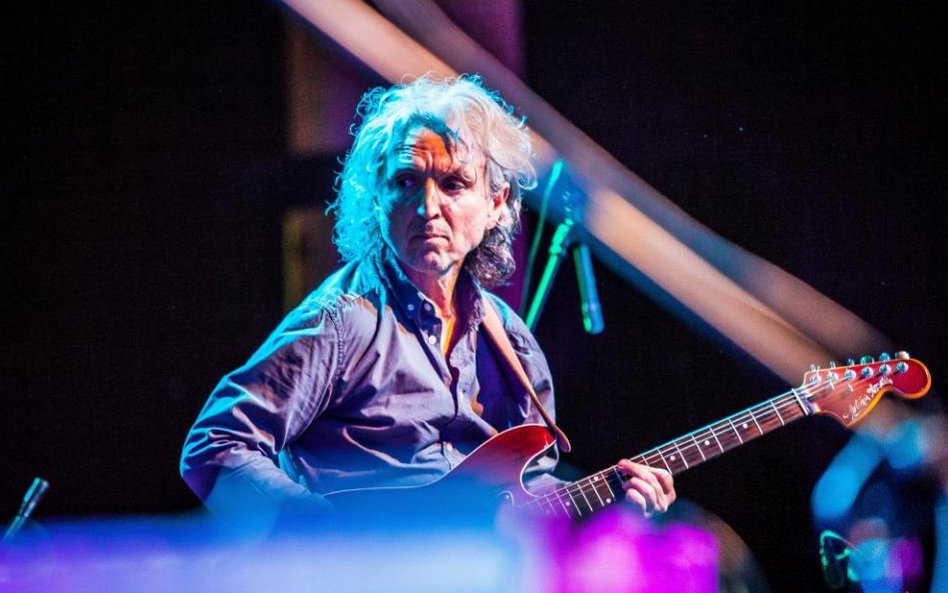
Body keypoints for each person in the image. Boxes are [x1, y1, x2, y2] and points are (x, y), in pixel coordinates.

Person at [179, 73, 675, 528]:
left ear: (495, 203)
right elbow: (214, 445)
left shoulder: (512, 341)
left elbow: (531, 491)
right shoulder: (342, 323)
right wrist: (330, 537)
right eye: (406, 182)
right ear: (377, 197)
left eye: (454, 183)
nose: (428, 207)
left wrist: (614, 507)